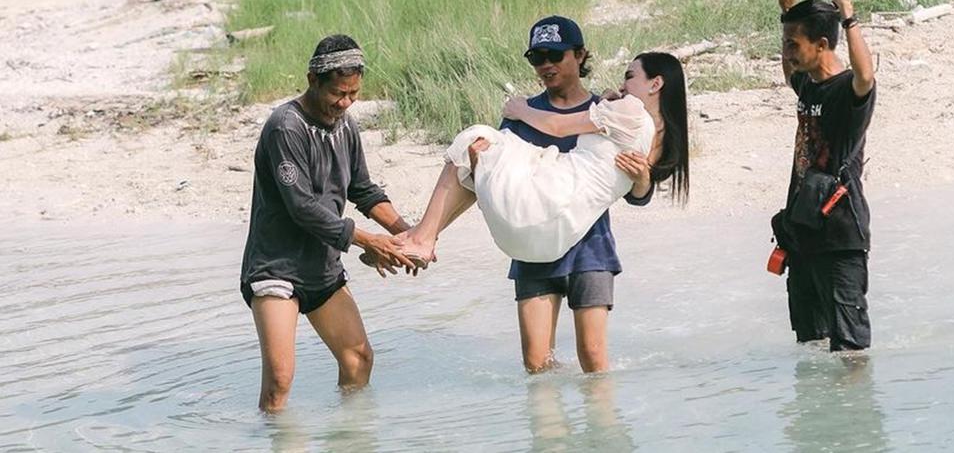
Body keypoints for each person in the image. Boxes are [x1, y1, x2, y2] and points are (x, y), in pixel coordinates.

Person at [384, 42, 690, 374]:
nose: (546, 64)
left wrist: (643, 178)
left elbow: (636, 193)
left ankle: (599, 425)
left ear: (579, 56)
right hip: (537, 224)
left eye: (554, 56)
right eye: (537, 57)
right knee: (537, 363)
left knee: (592, 355)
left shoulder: (614, 112)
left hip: (589, 243)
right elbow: (493, 181)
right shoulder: (585, 107)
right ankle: (423, 237)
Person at [239, 34, 419, 412]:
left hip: (322, 268)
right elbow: (301, 206)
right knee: (279, 381)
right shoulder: (284, 127)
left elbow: (363, 190)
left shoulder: (346, 126)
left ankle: (348, 437)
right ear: (312, 80)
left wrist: (409, 235)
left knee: (358, 359)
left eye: (353, 94)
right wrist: (368, 241)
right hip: (277, 267)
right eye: (338, 93)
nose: (345, 103)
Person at [772, 0, 877, 351]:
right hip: (802, 231)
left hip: (839, 235)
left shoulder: (846, 92)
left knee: (849, 349)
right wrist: (784, 12)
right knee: (810, 345)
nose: (786, 51)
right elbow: (789, 74)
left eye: (792, 44)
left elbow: (866, 76)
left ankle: (854, 410)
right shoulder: (808, 84)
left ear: (820, 44)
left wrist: (846, 11)